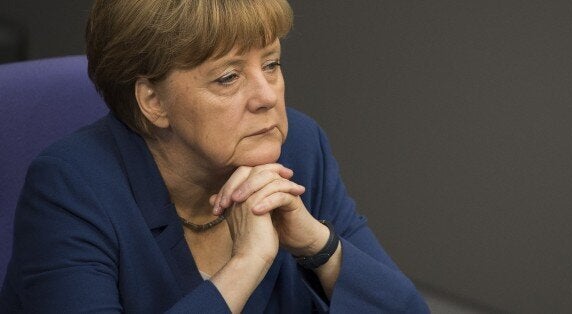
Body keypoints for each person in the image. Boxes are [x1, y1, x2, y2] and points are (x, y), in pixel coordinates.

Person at [0, 0, 429, 312]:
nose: (266, 97)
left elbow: (408, 310)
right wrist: (244, 265)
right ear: (153, 101)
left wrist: (316, 243)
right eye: (228, 77)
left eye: (272, 65)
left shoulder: (298, 145)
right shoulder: (71, 188)